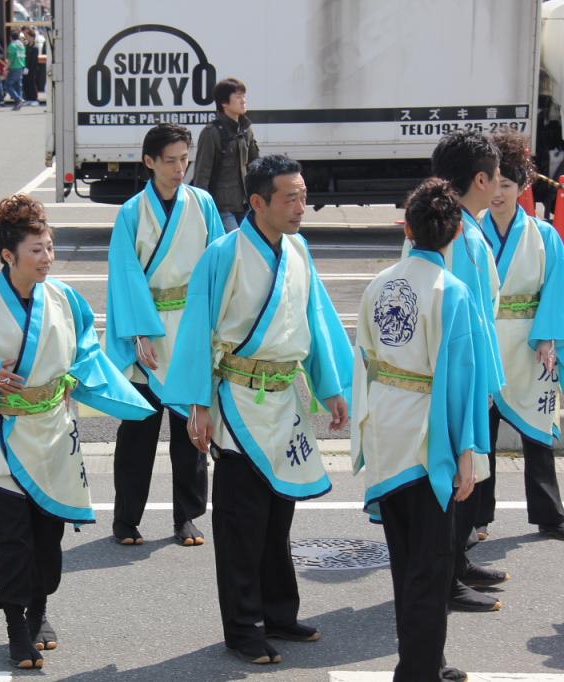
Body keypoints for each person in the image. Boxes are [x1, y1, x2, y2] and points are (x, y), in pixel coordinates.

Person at [0, 194, 153, 670]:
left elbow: (87, 353)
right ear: (9, 255)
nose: (47, 258)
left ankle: (40, 608)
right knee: (11, 538)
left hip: (54, 430)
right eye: (36, 250)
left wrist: (112, 388)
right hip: (4, 434)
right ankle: (17, 624)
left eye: (50, 247)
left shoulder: (66, 299)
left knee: (48, 536)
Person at [162, 155, 353, 666]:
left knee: (278, 516)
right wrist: (198, 404)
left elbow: (313, 318)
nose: (300, 207)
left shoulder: (298, 251)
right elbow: (197, 331)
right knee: (241, 521)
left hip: (286, 399)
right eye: (289, 198)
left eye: (303, 195)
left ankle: (279, 612)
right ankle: (243, 627)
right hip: (239, 401)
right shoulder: (222, 255)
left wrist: (330, 387)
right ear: (257, 202)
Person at [351, 177, 482, 682]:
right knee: (431, 566)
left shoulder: (379, 283)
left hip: (386, 430)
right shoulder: (453, 291)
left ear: (406, 227)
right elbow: (461, 382)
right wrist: (466, 451)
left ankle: (421, 662)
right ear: (454, 234)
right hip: (428, 440)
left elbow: (364, 359)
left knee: (406, 565)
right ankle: (421, 670)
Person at [105, 123, 223, 546]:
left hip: (191, 328)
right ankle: (125, 519)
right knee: (138, 430)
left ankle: (187, 516)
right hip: (149, 332)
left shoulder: (203, 203)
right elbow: (124, 274)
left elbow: (219, 264)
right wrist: (139, 333)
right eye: (170, 161)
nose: (179, 169)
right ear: (149, 162)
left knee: (192, 428)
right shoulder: (131, 212)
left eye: (184, 160)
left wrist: (217, 325)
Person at [420, 129, 508, 612]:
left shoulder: (462, 226)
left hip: (471, 369)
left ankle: (458, 562)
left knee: (471, 469)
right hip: (456, 373)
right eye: (496, 178)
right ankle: (448, 576)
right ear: (480, 178)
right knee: (458, 473)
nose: (499, 186)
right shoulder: (456, 231)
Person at [476, 130, 564, 541]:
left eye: (507, 186)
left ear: (521, 188)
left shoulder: (544, 235)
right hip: (486, 341)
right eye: (493, 185)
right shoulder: (470, 232)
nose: (498, 194)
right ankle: (477, 517)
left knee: (537, 429)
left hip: (531, 343)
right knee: (482, 433)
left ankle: (549, 514)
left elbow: (556, 289)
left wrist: (547, 337)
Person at [192, 78, 259, 233]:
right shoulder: (212, 132)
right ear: (224, 103)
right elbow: (202, 174)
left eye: (244, 96)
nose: (243, 101)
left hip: (245, 205)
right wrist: (201, 210)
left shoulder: (246, 130)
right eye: (238, 97)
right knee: (235, 245)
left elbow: (255, 167)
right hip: (222, 208)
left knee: (251, 246)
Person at [5, 30, 25, 111]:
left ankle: (18, 99)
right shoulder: (21, 45)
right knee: (18, 86)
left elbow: (11, 60)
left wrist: (5, 67)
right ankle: (18, 104)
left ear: (10, 37)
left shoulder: (12, 45)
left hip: (14, 67)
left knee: (8, 85)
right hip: (21, 66)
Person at [22, 29, 39, 105]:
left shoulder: (35, 47)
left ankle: (34, 99)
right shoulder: (27, 45)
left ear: (32, 37)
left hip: (32, 68)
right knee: (26, 83)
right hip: (25, 67)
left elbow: (33, 60)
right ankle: (28, 98)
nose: (27, 38)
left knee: (32, 83)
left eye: (28, 36)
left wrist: (28, 68)